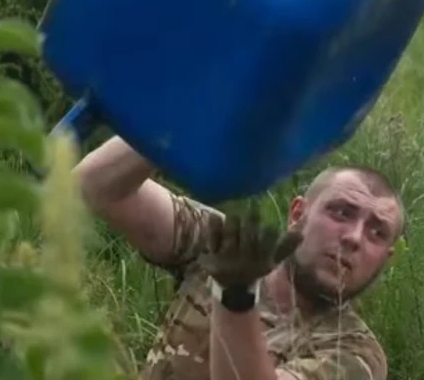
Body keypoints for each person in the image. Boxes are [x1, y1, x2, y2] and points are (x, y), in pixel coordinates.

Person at [73, 135, 403, 380]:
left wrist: (235, 295)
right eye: (341, 212)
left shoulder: (356, 355)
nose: (354, 238)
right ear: (297, 214)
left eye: (377, 232)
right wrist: (178, 118)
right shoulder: (219, 242)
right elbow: (93, 186)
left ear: (386, 257)